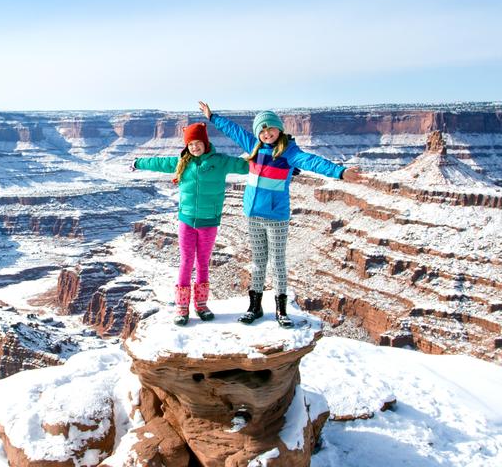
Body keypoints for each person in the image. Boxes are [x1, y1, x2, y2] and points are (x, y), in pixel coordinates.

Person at [198, 101, 364, 327]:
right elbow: (234, 131)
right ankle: (254, 308)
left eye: (271, 129)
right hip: (253, 215)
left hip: (276, 217)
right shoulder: (254, 145)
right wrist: (213, 117)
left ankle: (281, 311)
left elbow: (312, 162)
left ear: (279, 129)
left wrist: (340, 172)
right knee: (258, 263)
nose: (267, 134)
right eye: (262, 130)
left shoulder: (288, 152)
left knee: (277, 263)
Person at [132, 122, 249, 326]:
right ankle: (182, 307)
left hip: (209, 221)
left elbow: (246, 165)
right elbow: (158, 163)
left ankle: (201, 305)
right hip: (186, 220)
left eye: (198, 143)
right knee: (186, 262)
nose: (194, 147)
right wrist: (138, 162)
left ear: (205, 143)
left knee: (203, 262)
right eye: (191, 144)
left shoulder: (220, 162)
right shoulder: (181, 162)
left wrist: (278, 165)